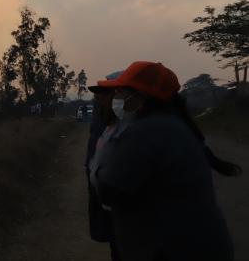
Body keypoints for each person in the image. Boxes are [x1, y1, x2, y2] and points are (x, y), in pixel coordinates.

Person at [89, 61, 241, 261]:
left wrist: (98, 161)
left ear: (140, 97)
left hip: (174, 250)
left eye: (120, 92)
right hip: (196, 245)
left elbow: (109, 190)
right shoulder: (169, 125)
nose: (116, 98)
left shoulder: (146, 133)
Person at [87, 70, 124, 261]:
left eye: (106, 94)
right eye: (98, 94)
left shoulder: (133, 129)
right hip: (112, 213)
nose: (99, 98)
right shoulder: (105, 123)